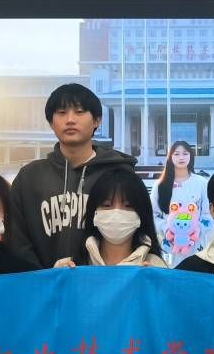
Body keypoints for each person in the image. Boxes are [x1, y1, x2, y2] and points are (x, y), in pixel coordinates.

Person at [7, 83, 134, 267]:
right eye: (61, 113)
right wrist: (46, 277)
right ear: (51, 123)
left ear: (97, 120)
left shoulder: (119, 174)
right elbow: (17, 240)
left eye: (80, 112)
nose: (70, 120)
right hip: (43, 282)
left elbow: (137, 232)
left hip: (104, 281)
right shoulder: (29, 177)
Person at [55, 168, 168, 268]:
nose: (116, 212)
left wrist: (155, 282)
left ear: (142, 213)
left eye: (128, 205)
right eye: (106, 205)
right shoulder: (69, 266)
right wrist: (60, 278)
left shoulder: (156, 266)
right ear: (93, 212)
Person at [153, 140, 212, 266]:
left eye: (185, 154)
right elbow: (153, 214)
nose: (181, 157)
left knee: (196, 271)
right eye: (176, 154)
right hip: (169, 244)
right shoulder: (160, 185)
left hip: (196, 244)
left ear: (191, 156)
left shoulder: (201, 183)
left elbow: (208, 214)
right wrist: (168, 229)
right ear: (170, 157)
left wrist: (196, 230)